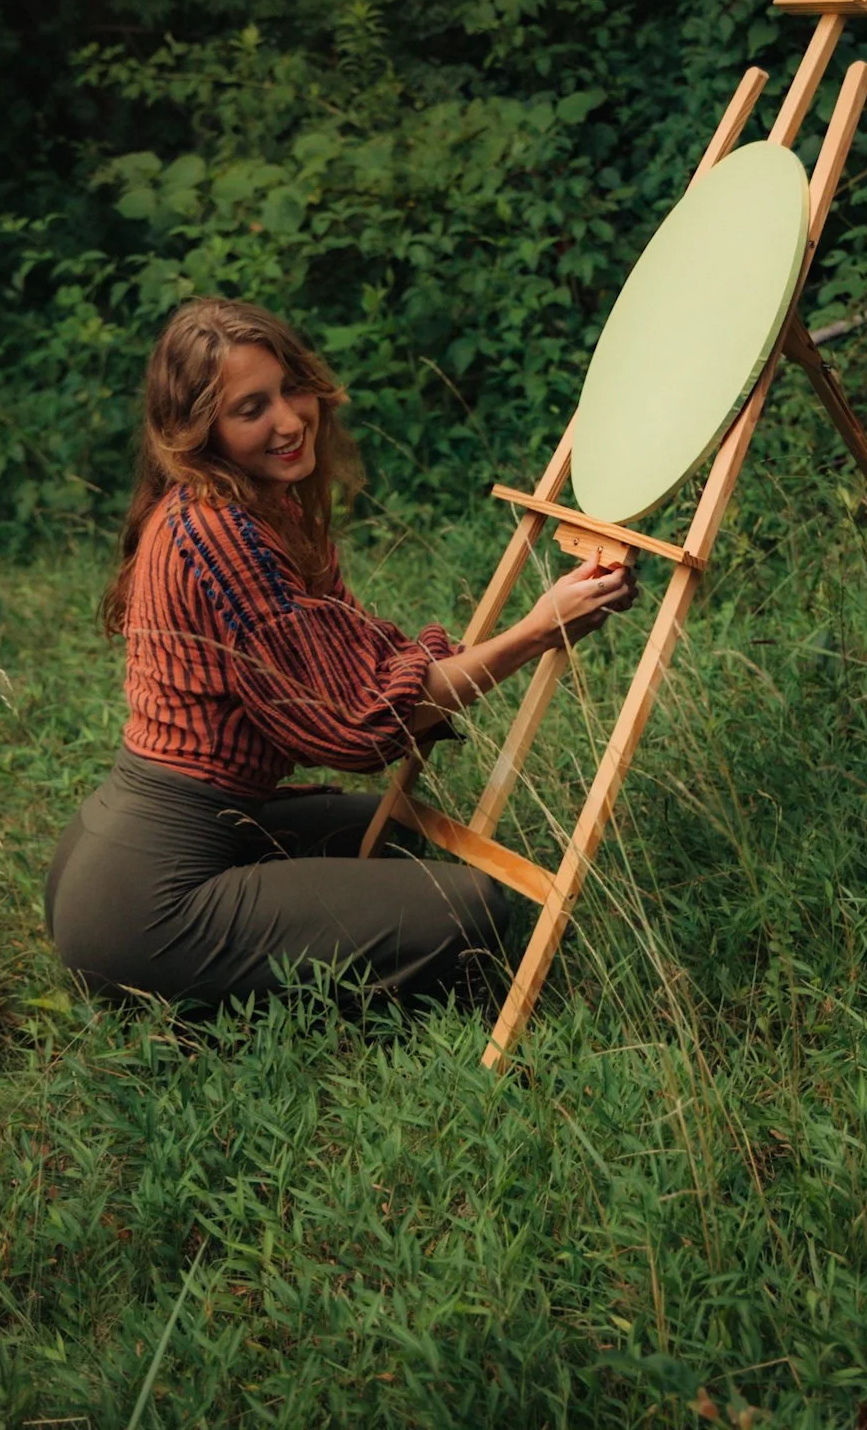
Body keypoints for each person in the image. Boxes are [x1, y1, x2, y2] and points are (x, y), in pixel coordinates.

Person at [44, 297, 636, 1015]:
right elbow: (358, 725)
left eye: (292, 388)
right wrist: (537, 632)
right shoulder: (219, 533)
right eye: (252, 408)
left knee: (396, 831)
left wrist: (535, 626)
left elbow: (360, 665)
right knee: (473, 905)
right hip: (146, 903)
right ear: (199, 433)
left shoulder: (258, 507)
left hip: (137, 851)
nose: (290, 421)